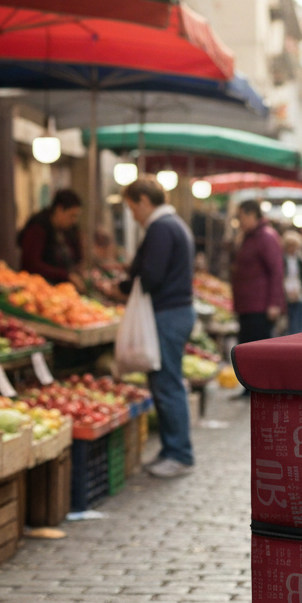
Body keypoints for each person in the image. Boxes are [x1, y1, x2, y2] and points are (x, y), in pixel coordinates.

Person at [120, 178, 195, 479]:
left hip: (167, 314)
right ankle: (170, 450)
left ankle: (179, 454)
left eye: (131, 208)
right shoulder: (172, 224)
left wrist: (123, 286)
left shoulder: (161, 228)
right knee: (164, 383)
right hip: (174, 312)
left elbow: (151, 274)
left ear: (142, 200)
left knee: (167, 385)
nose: (133, 216)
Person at [231, 200, 284, 345]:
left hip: (259, 308)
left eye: (240, 217)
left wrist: (273, 304)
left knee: (256, 350)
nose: (239, 221)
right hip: (247, 306)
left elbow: (276, 271)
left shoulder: (266, 237)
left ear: (252, 215)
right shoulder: (248, 237)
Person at [18, 189, 84, 285]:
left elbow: (77, 257)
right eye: (71, 216)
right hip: (38, 286)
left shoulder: (68, 230)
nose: (74, 221)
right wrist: (64, 275)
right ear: (59, 209)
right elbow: (31, 264)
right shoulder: (38, 227)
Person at [282, 230, 302, 334]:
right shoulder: (282, 260)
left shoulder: (301, 260)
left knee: (299, 319)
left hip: (299, 290)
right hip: (286, 291)